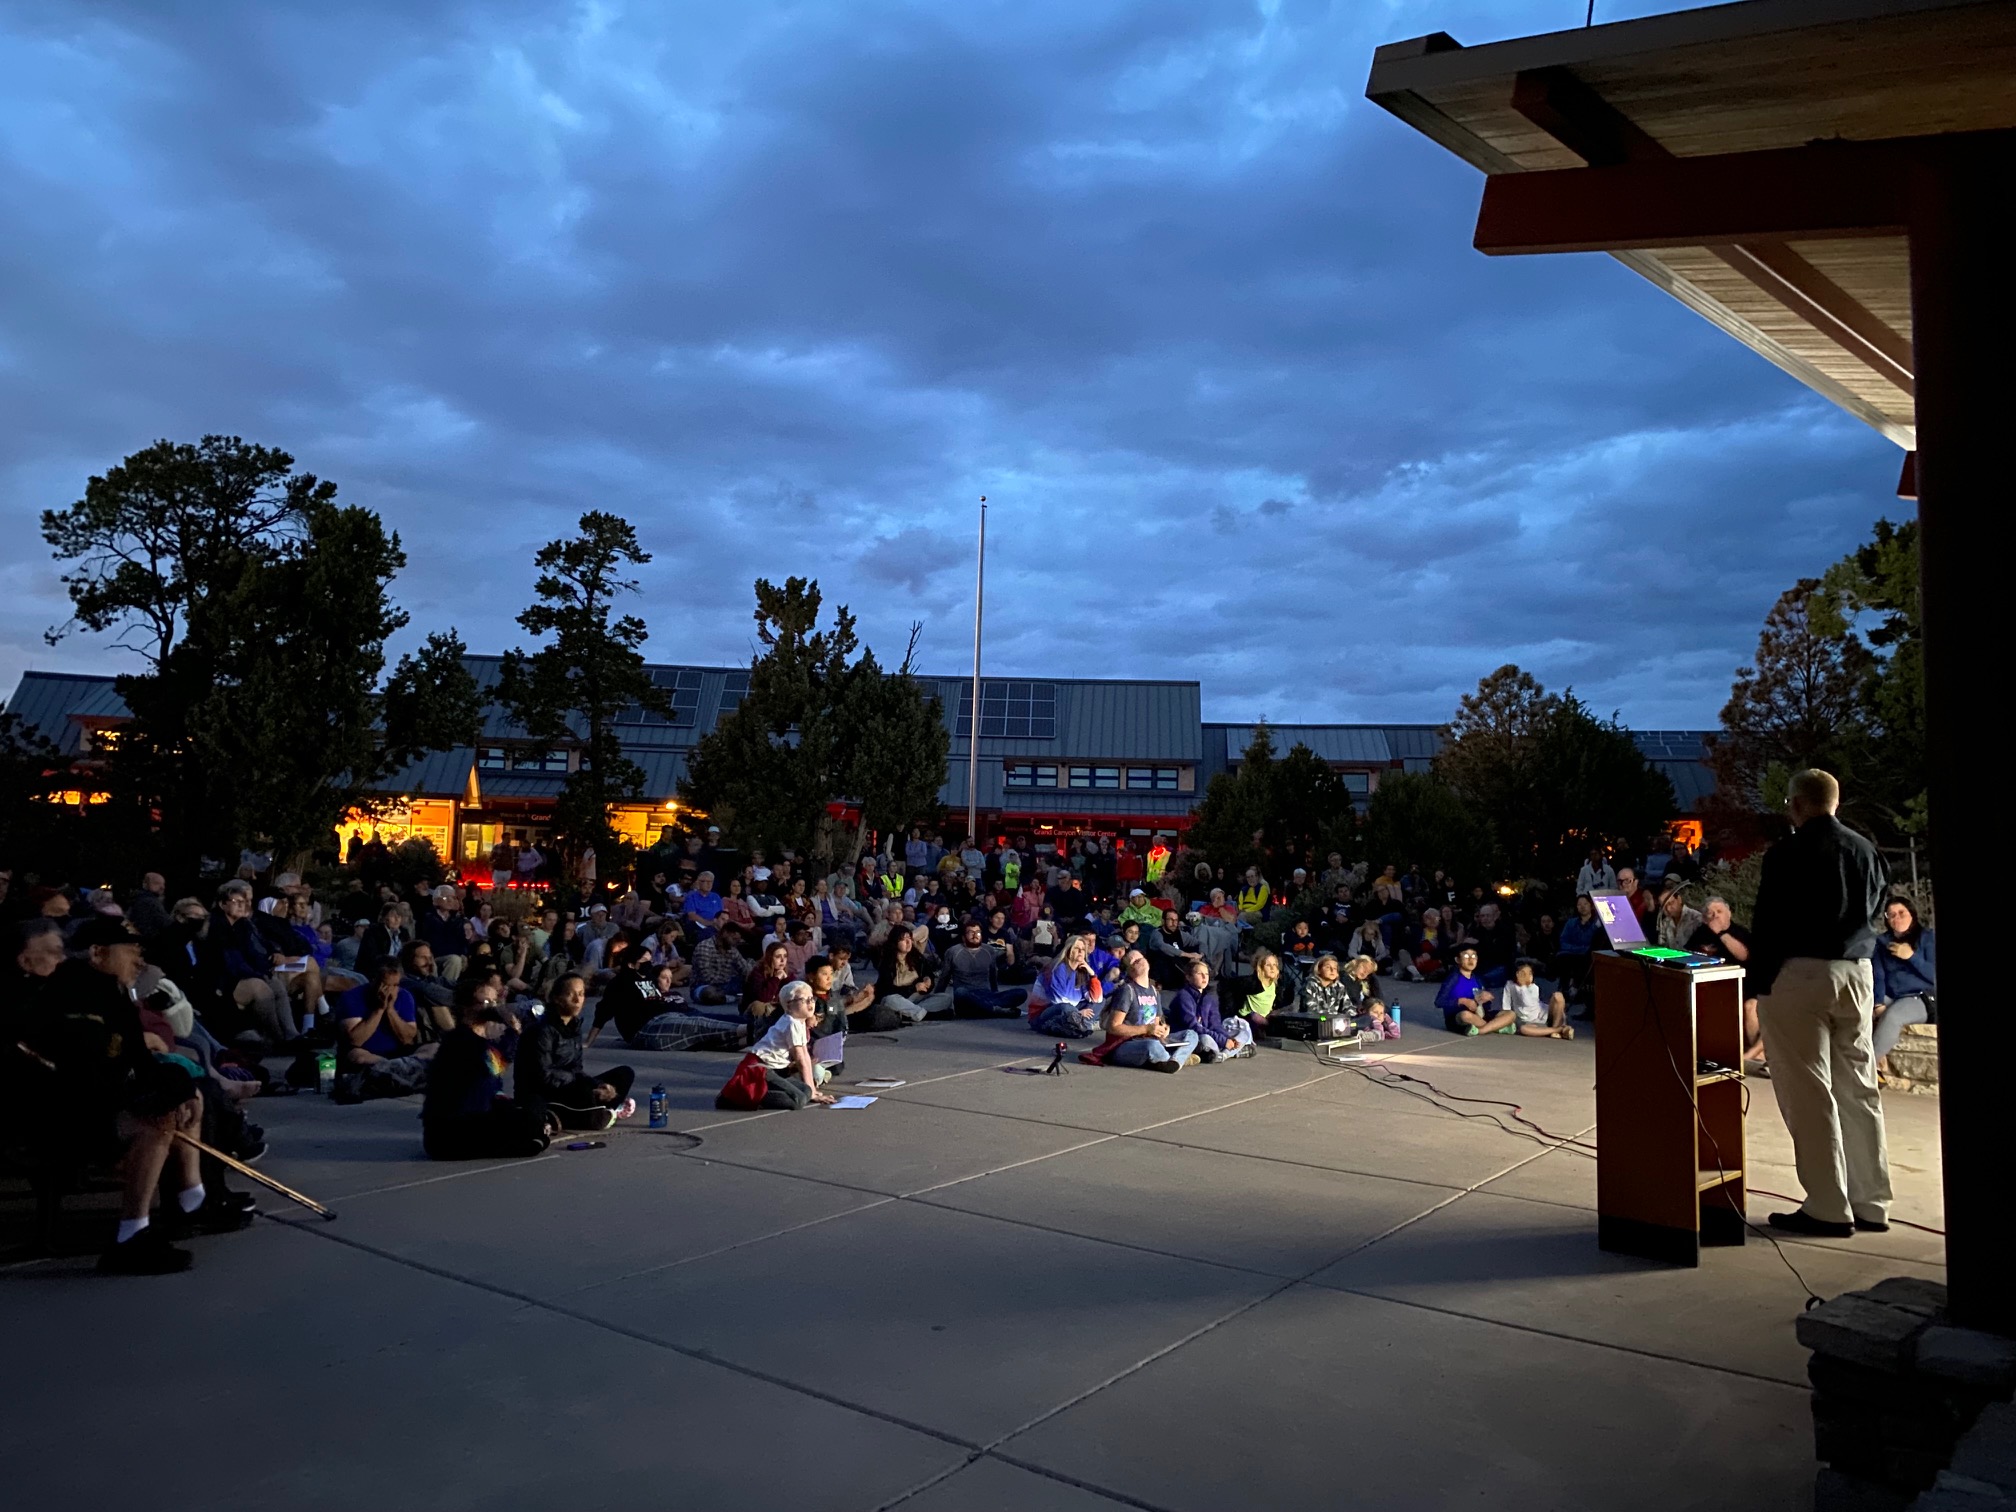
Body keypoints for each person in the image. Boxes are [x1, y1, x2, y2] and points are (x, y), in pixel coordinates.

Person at [23, 916, 250, 1273]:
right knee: (156, 1118)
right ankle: (129, 1237)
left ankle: (192, 1200)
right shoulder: (68, 993)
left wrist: (179, 1084)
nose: (139, 960)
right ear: (98, 953)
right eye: (130, 950)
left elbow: (139, 1061)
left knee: (186, 1097)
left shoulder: (110, 993)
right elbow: (86, 1066)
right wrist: (152, 1092)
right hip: (58, 1114)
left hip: (97, 1102)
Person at [1750, 768, 1891, 1238]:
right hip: (1857, 972)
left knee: (1810, 1093)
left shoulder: (1786, 853)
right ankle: (1871, 1201)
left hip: (1800, 974)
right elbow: (1876, 912)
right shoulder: (1866, 850)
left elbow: (1768, 924)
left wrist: (1759, 984)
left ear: (1796, 804)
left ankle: (1828, 1205)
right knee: (1859, 1087)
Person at [421, 978, 550, 1160]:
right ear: (466, 1007)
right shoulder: (460, 1040)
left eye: (495, 1002)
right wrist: (513, 1033)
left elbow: (493, 1087)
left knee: (533, 1104)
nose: (493, 1008)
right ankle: (532, 1136)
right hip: (450, 1134)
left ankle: (533, 1133)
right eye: (486, 1003)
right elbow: (494, 1067)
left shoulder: (479, 1040)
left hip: (472, 1119)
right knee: (527, 1123)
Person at [517, 972, 637, 1130]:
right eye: (570, 994)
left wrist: (599, 1085)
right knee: (584, 1092)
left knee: (624, 1074)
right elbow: (543, 1076)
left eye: (581, 994)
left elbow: (577, 1068)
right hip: (545, 1092)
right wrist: (584, 1085)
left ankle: (603, 1107)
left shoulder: (573, 1026)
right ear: (556, 998)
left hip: (570, 1084)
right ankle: (602, 1113)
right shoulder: (542, 1030)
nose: (577, 1000)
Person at [717, 980, 834, 1110]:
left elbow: (805, 1055)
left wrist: (811, 1088)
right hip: (760, 1068)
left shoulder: (799, 1022)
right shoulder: (791, 1023)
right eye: (803, 999)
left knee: (805, 1090)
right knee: (799, 1099)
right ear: (789, 1006)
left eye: (811, 998)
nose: (810, 1003)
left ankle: (774, 1092)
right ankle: (742, 1097)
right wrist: (813, 1093)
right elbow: (800, 1058)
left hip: (776, 1069)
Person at [1687, 896, 1765, 1068]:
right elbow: (1688, 955)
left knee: (1751, 1008)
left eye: (1719, 912)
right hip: (1710, 986)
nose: (1715, 916)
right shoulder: (1700, 933)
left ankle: (1756, 1055)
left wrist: (1721, 934)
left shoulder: (1740, 933)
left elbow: (1743, 955)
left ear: (1728, 913)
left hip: (1745, 986)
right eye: (1710, 913)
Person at [1092, 951, 1198, 1072]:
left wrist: (1163, 1030)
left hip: (1150, 1039)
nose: (1140, 961)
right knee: (1152, 1046)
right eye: (1135, 962)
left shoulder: (1154, 991)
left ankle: (1174, 1062)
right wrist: (1145, 1029)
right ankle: (1175, 1059)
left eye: (1141, 958)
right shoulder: (1127, 991)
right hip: (1127, 1044)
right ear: (1130, 971)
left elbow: (1157, 1023)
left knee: (1191, 1035)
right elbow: (1113, 1027)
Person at [1871, 897, 1936, 1079]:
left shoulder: (1927, 938)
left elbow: (1934, 977)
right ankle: (1875, 1067)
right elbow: (1878, 976)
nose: (1896, 918)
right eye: (1891, 915)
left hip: (1921, 997)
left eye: (1901, 913)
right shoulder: (1882, 942)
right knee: (1861, 1005)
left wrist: (1911, 956)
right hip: (1892, 996)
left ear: (1912, 914)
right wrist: (1877, 1003)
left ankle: (1865, 1068)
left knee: (1893, 1016)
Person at [1165, 957, 1253, 1060]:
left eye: (1206, 974)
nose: (1204, 977)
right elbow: (1193, 1027)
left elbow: (1215, 1024)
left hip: (1210, 1035)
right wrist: (1223, 1041)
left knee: (1243, 1033)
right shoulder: (1184, 996)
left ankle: (1221, 1055)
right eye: (1199, 974)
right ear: (1188, 977)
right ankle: (1228, 1053)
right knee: (1205, 1039)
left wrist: (1228, 1038)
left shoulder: (1209, 997)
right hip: (1194, 1036)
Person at [942, 919, 1029, 1017]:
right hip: (967, 997)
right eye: (971, 932)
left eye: (978, 932)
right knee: (960, 993)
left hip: (987, 995)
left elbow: (993, 976)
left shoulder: (989, 950)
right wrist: (938, 999)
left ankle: (989, 1009)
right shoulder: (953, 951)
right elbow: (944, 979)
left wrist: (996, 993)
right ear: (963, 937)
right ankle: (996, 1010)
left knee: (1021, 993)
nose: (975, 935)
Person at [871, 927, 952, 1024]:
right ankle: (927, 1015)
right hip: (898, 998)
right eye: (903, 940)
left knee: (946, 998)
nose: (908, 942)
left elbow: (928, 975)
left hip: (916, 998)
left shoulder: (917, 957)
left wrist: (928, 980)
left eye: (909, 938)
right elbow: (887, 990)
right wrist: (913, 988)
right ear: (895, 942)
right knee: (889, 1000)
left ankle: (911, 1013)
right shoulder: (886, 960)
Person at [1032, 933, 1105, 1038]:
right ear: (1069, 950)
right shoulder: (1058, 968)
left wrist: (1092, 974)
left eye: (1083, 949)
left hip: (1070, 1011)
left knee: (1101, 1001)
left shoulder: (1081, 972)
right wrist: (1079, 1013)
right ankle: (1084, 1025)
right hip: (1044, 1013)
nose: (1080, 951)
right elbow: (1058, 1000)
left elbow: (1096, 999)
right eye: (1076, 948)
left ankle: (1081, 1025)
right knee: (1065, 1007)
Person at [1436, 947, 1514, 1035]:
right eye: (1466, 956)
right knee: (1465, 1015)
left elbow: (1484, 1006)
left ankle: (1482, 1030)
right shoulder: (1453, 978)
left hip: (1480, 1016)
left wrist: (1485, 998)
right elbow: (1439, 1002)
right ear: (1457, 959)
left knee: (1511, 1014)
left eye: (1474, 956)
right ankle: (1497, 1027)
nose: (1470, 959)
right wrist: (1462, 1001)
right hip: (1459, 1017)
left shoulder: (1478, 978)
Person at [1223, 946, 1296, 1029]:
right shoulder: (1252, 983)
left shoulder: (1277, 984)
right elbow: (1229, 989)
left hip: (1267, 1018)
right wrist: (1246, 1014)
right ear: (1260, 968)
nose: (1272, 968)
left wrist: (1281, 1010)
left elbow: (1282, 1004)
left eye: (1275, 965)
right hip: (1247, 1020)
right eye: (1268, 965)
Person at [1503, 960, 1573, 1040]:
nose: (1528, 976)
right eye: (1523, 973)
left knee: (1558, 996)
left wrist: (1523, 987)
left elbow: (1527, 1003)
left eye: (1530, 974)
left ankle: (1555, 1028)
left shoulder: (1534, 988)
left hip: (1543, 1017)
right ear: (1517, 974)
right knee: (1524, 1029)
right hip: (1527, 1022)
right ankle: (1559, 1030)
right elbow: (1506, 1007)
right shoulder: (1509, 985)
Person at [1653, 879, 1704, 950]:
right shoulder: (1665, 923)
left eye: (1670, 903)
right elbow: (1662, 946)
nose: (1668, 908)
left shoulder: (1696, 918)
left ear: (1679, 899)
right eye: (1664, 907)